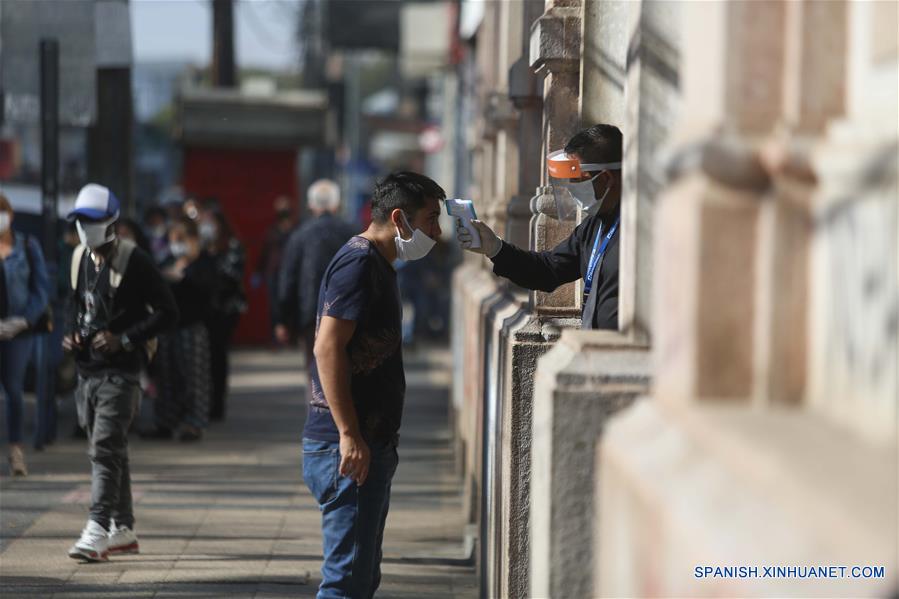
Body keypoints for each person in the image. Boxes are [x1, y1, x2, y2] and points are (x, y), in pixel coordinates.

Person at [303, 171, 445, 598]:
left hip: (367, 442)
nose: (437, 233)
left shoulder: (379, 263)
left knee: (361, 579)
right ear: (399, 218)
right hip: (346, 448)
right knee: (345, 584)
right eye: (431, 220)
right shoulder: (360, 263)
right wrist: (349, 435)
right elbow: (326, 348)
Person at [63, 183, 178, 562]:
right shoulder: (79, 258)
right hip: (88, 372)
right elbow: (78, 307)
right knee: (113, 451)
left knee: (104, 449)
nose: (85, 228)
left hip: (122, 373)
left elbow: (167, 312)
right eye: (80, 220)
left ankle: (97, 527)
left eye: (92, 220)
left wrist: (125, 339)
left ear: (112, 222)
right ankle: (123, 528)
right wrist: (74, 336)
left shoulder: (136, 261)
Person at [457, 124, 623, 330]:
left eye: (578, 181)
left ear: (606, 179)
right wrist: (495, 249)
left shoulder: (637, 230)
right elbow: (547, 270)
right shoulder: (593, 227)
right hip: (593, 349)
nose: (573, 190)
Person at [276, 179, 356, 373]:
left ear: (311, 204)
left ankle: (317, 403)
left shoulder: (300, 235)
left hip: (310, 314)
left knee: (315, 369)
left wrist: (283, 320)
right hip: (347, 311)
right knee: (344, 368)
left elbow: (288, 279)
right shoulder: (352, 233)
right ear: (336, 204)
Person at [149, 218, 216, 442]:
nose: (176, 244)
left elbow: (208, 293)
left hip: (192, 327)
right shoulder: (168, 261)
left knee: (193, 378)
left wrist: (185, 276)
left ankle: (193, 423)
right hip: (168, 327)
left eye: (181, 239)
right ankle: (166, 421)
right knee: (166, 377)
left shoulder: (204, 263)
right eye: (173, 239)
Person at [0, 194, 51, 476]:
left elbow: (41, 289)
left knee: (14, 389)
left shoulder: (27, 245)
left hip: (19, 330)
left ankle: (16, 450)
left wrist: (24, 320)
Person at [200, 208, 246, 421]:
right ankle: (204, 402)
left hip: (225, 310)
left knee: (218, 356)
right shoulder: (200, 247)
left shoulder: (231, 245)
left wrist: (214, 260)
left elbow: (233, 275)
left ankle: (217, 404)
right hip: (205, 309)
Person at [254, 196, 295, 339]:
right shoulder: (272, 231)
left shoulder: (295, 231)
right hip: (274, 272)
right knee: (274, 305)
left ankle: (290, 335)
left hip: (290, 272)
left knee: (289, 302)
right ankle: (275, 336)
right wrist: (258, 272)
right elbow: (265, 253)